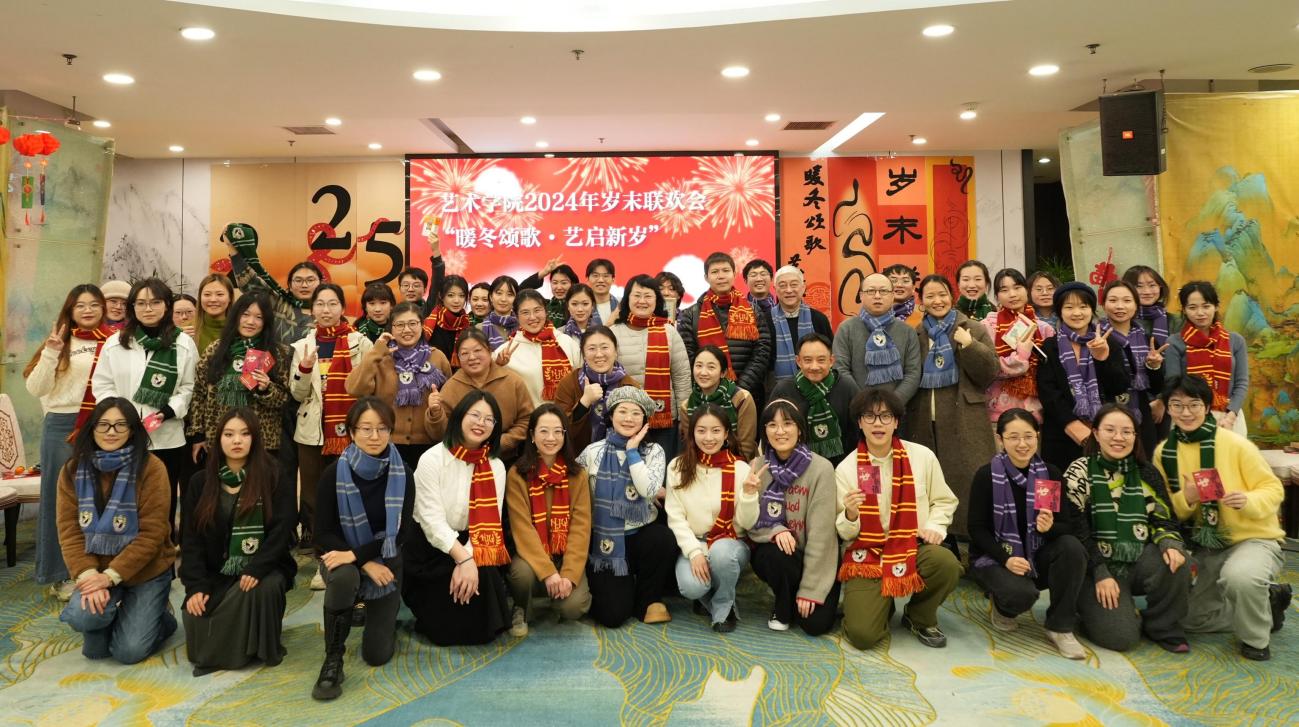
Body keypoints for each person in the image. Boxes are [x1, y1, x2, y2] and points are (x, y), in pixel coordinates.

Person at [1155, 375, 1288, 661]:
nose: (1186, 412)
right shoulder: (1163, 453)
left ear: (1206, 407)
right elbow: (1166, 512)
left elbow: (1273, 489)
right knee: (1190, 620)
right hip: (1209, 543)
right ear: (1168, 409)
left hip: (1254, 538)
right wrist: (1187, 497)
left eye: (1194, 405)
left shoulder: (1235, 444)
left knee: (1240, 577)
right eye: (1177, 405)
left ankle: (1255, 640)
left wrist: (1248, 501)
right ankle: (1267, 602)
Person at [835, 388, 961, 650]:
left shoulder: (922, 457)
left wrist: (935, 527)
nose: (878, 423)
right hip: (868, 556)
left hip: (912, 546)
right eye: (869, 416)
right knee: (862, 636)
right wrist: (850, 514)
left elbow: (944, 500)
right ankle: (881, 602)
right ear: (859, 423)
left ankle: (919, 616)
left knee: (946, 563)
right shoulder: (847, 469)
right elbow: (845, 533)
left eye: (885, 416)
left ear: (896, 422)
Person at [56, 398, 177, 664]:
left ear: (132, 430)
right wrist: (90, 575)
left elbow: (152, 534)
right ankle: (122, 614)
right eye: (103, 425)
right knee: (87, 629)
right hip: (96, 569)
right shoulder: (72, 470)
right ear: (92, 429)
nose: (111, 432)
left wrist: (110, 577)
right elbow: (70, 532)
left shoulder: (152, 468)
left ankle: (161, 618)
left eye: (121, 425)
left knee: (128, 652)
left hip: (146, 571)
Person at [1064, 404, 1191, 653]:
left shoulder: (1147, 473)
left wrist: (1169, 543)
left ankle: (1162, 625)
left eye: (1126, 431)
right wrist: (1100, 572)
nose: (1118, 437)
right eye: (1110, 430)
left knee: (1178, 560)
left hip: (1138, 559)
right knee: (1121, 638)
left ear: (1135, 436)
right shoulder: (1079, 472)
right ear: (1096, 433)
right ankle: (1093, 608)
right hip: (1094, 567)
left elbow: (1165, 519)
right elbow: (1076, 532)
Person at [312, 397, 414, 699]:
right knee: (345, 576)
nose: (374, 436)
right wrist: (361, 560)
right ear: (352, 431)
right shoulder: (334, 473)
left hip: (387, 558)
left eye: (382, 428)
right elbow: (322, 533)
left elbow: (402, 533)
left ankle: (370, 610)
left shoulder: (403, 473)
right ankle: (333, 658)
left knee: (377, 655)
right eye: (366, 428)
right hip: (342, 555)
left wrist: (361, 556)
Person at [181, 408, 296, 676]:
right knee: (196, 612)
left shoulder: (274, 475)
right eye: (229, 434)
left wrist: (256, 568)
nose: (237, 441)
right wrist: (196, 585)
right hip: (215, 570)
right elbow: (191, 539)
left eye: (245, 434)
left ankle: (252, 649)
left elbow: (282, 531)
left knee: (262, 588)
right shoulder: (200, 481)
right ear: (218, 438)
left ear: (255, 438)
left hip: (265, 566)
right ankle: (233, 644)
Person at [968, 409, 1088, 659]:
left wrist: (1049, 527)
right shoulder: (987, 475)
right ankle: (1003, 607)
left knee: (1071, 547)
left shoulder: (1050, 474)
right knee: (1021, 595)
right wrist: (1005, 559)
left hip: (1036, 555)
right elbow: (976, 529)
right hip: (997, 558)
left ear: (1037, 436)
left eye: (1028, 436)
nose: (1022, 444)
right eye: (1013, 437)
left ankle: (1060, 627)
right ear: (1000, 439)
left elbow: (1066, 526)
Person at [91, 278, 199, 543]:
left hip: (167, 437)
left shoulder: (183, 343)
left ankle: (163, 555)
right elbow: (102, 385)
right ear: (132, 307)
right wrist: (121, 416)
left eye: (155, 302)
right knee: (124, 500)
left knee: (162, 503)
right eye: (140, 303)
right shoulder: (116, 343)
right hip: (123, 436)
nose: (147, 309)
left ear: (167, 306)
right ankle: (123, 553)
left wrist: (167, 411)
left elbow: (190, 387)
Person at [23, 284, 114, 600]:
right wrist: (50, 352)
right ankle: (59, 574)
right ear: (70, 310)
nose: (88, 310)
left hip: (102, 425)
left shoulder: (113, 342)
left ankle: (98, 570)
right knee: (60, 501)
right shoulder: (59, 342)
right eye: (80, 305)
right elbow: (36, 389)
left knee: (102, 498)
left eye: (94, 304)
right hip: (62, 427)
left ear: (103, 309)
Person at [405, 390, 512, 645]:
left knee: (483, 628)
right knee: (444, 631)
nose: (481, 423)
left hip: (474, 541)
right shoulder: (432, 459)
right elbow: (431, 521)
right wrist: (463, 559)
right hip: (430, 547)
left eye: (489, 419)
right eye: (475, 415)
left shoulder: (495, 465)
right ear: (460, 416)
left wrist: (470, 557)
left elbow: (491, 520)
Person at [907, 274, 998, 540]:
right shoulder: (917, 333)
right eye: (930, 296)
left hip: (964, 417)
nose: (937, 301)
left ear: (952, 296)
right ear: (921, 302)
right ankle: (936, 538)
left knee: (968, 479)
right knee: (930, 482)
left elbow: (989, 373)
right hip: (925, 419)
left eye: (942, 294)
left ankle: (971, 539)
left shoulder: (972, 328)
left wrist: (969, 346)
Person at [738, 399, 840, 634]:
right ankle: (783, 604)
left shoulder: (821, 469)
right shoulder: (757, 466)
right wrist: (774, 529)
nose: (780, 431)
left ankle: (801, 593)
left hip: (816, 558)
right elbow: (748, 524)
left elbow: (822, 536)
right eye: (772, 425)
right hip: (783, 558)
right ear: (765, 431)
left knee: (815, 625)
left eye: (787, 424)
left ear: (800, 429)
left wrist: (811, 589)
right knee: (772, 554)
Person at [577, 386, 676, 627]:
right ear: (611, 416)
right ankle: (621, 591)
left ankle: (647, 599)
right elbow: (574, 490)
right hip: (605, 540)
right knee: (612, 616)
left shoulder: (653, 451)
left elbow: (648, 490)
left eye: (635, 413)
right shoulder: (593, 452)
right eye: (622, 411)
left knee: (662, 539)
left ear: (644, 420)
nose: (628, 418)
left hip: (641, 534)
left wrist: (632, 453)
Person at [290, 283, 374, 555]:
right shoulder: (302, 346)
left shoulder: (360, 342)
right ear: (312, 309)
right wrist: (304, 369)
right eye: (320, 304)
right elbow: (297, 393)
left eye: (332, 303)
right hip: (311, 429)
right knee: (313, 491)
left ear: (343, 308)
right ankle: (319, 545)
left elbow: (370, 386)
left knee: (349, 487)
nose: (326, 310)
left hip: (349, 429)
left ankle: (348, 544)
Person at [505, 405, 593, 635]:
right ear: (532, 436)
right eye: (543, 431)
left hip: (564, 555)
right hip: (532, 555)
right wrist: (548, 572)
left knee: (573, 608)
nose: (551, 438)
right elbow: (522, 529)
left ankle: (558, 595)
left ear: (565, 435)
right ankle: (522, 607)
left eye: (557, 431)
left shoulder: (578, 475)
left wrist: (568, 575)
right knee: (521, 574)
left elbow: (581, 529)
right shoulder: (517, 474)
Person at [666, 405, 753, 632]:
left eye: (716, 431)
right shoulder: (677, 467)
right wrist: (694, 552)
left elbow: (747, 523)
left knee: (721, 554)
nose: (708, 438)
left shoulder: (740, 469)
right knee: (691, 587)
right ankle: (709, 595)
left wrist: (749, 495)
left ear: (726, 434)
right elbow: (675, 517)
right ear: (692, 433)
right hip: (695, 542)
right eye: (701, 430)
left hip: (730, 544)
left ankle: (725, 607)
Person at [347, 302, 451, 471]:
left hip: (429, 446)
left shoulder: (437, 357)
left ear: (422, 325)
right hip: (386, 444)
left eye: (412, 323)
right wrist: (376, 352)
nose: (406, 330)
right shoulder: (381, 358)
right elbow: (354, 389)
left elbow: (448, 402)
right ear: (391, 328)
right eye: (400, 325)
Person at [1036, 282, 1128, 471]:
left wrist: (1102, 359)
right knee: (1061, 483)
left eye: (1083, 306)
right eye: (1069, 307)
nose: (1077, 313)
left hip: (1103, 432)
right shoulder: (1050, 346)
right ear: (1060, 312)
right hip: (1061, 434)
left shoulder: (1107, 342)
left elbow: (1119, 386)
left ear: (1092, 310)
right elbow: (1048, 392)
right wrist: (1072, 425)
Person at [188, 293, 290, 463]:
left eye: (259, 317)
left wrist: (266, 389)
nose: (250, 321)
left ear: (266, 322)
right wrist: (198, 434)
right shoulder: (216, 349)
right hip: (220, 438)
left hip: (262, 442)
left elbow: (284, 399)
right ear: (235, 316)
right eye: (245, 314)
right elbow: (199, 393)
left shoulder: (277, 353)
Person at [610, 275, 692, 458]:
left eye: (648, 296)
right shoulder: (613, 333)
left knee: (662, 470)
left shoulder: (669, 331)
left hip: (664, 421)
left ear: (657, 300)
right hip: (625, 420)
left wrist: (684, 418)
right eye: (637, 295)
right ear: (627, 299)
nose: (642, 301)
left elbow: (681, 377)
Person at [678, 252, 774, 405]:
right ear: (706, 277)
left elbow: (762, 351)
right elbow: (688, 355)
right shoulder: (691, 314)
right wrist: (712, 387)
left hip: (746, 395)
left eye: (725, 270)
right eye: (715, 272)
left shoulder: (753, 310)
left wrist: (739, 389)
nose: (721, 276)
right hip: (706, 395)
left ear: (734, 274)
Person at [430, 329, 534, 461]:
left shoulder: (513, 381)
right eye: (464, 353)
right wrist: (435, 412)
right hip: (462, 457)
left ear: (489, 351)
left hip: (506, 457)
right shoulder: (451, 387)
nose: (472, 357)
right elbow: (440, 433)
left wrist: (502, 442)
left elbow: (527, 418)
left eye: (477, 350)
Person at [1165, 281, 1249, 436]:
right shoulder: (1174, 343)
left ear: (1216, 306)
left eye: (1206, 306)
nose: (1200, 313)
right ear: (1184, 310)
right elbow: (1173, 385)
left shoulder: (1235, 341)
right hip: (1188, 416)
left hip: (1229, 417)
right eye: (1192, 307)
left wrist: (1230, 417)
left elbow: (1241, 382)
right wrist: (1192, 413)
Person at [220, 223, 319, 347]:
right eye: (298, 280)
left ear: (321, 282)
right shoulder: (279, 304)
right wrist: (231, 247)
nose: (304, 285)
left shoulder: (327, 310)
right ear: (289, 285)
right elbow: (250, 283)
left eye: (310, 280)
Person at [1100, 280, 1168, 455]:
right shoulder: (1096, 339)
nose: (1120, 306)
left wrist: (1153, 367)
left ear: (1136, 305)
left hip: (1142, 413)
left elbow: (1157, 387)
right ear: (1103, 304)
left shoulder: (1147, 339)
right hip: (1107, 412)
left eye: (1127, 300)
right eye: (1113, 300)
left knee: (1145, 461)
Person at [832, 272, 921, 404]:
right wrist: (864, 403)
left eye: (883, 291)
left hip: (896, 409)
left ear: (892, 295)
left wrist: (891, 405)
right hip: (857, 407)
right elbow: (840, 369)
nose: (877, 296)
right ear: (861, 295)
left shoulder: (907, 331)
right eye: (871, 291)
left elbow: (913, 373)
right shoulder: (846, 328)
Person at [769, 334, 858, 464]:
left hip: (843, 464)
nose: (814, 366)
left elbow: (858, 431)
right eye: (808, 360)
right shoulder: (784, 390)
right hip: (795, 464)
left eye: (821, 360)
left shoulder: (847, 387)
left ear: (831, 360)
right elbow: (770, 429)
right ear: (798, 361)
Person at [983, 268, 1055, 425]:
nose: (1012, 294)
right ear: (997, 296)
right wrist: (1021, 355)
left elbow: (1050, 373)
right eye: (1004, 290)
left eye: (1017, 287)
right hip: (997, 414)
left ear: (1026, 290)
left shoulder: (1044, 329)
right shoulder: (988, 326)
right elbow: (987, 368)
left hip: (1034, 413)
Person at [553, 326, 641, 451]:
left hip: (619, 455)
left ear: (615, 351)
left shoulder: (629, 386)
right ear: (583, 354)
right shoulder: (569, 383)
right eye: (591, 349)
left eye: (605, 347)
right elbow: (559, 431)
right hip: (577, 456)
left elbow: (637, 429)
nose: (599, 354)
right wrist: (584, 403)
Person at [494, 290, 581, 407]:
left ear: (546, 311)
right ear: (516, 316)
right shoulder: (506, 351)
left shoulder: (566, 342)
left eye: (537, 310)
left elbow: (581, 381)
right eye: (525, 312)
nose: (532, 317)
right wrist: (497, 366)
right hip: (528, 417)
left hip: (566, 415)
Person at [1123, 265, 1174, 438]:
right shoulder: (1121, 322)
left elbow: (1179, 365)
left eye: (1152, 285)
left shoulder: (1174, 321)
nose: (1146, 291)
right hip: (1132, 399)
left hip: (1167, 399)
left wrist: (1162, 400)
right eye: (1139, 286)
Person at [681, 346, 758, 460]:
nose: (703, 372)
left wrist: (733, 467)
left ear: (723, 372)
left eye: (711, 367)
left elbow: (746, 446)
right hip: (701, 463)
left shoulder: (742, 399)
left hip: (738, 461)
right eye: (698, 366)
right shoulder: (687, 406)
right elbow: (690, 445)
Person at [768, 265, 833, 385]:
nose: (789, 290)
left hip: (819, 386)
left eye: (794, 285)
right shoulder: (766, 320)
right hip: (777, 388)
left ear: (803, 288)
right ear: (775, 289)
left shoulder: (818, 319)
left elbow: (830, 354)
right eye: (782, 285)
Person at [420, 274, 471, 364]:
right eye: (451, 295)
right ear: (441, 296)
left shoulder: (467, 324)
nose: (456, 300)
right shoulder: (430, 324)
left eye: (461, 296)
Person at [519, 258, 578, 328]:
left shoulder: (579, 307)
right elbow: (520, 291)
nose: (559, 287)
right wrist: (543, 273)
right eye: (555, 283)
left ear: (573, 284)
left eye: (564, 283)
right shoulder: (545, 305)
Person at [194, 274, 234, 353]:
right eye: (207, 294)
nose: (213, 299)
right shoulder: (187, 329)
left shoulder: (241, 329)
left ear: (230, 297)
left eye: (220, 294)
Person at [480, 275, 521, 350]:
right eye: (499, 293)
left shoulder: (523, 327)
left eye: (510, 294)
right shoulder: (479, 329)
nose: (503, 299)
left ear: (516, 299)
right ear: (491, 297)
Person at [586, 258, 620, 326]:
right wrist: (609, 324)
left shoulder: (621, 307)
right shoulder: (581, 308)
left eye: (606, 276)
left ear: (613, 279)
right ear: (587, 279)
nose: (601, 280)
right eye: (595, 276)